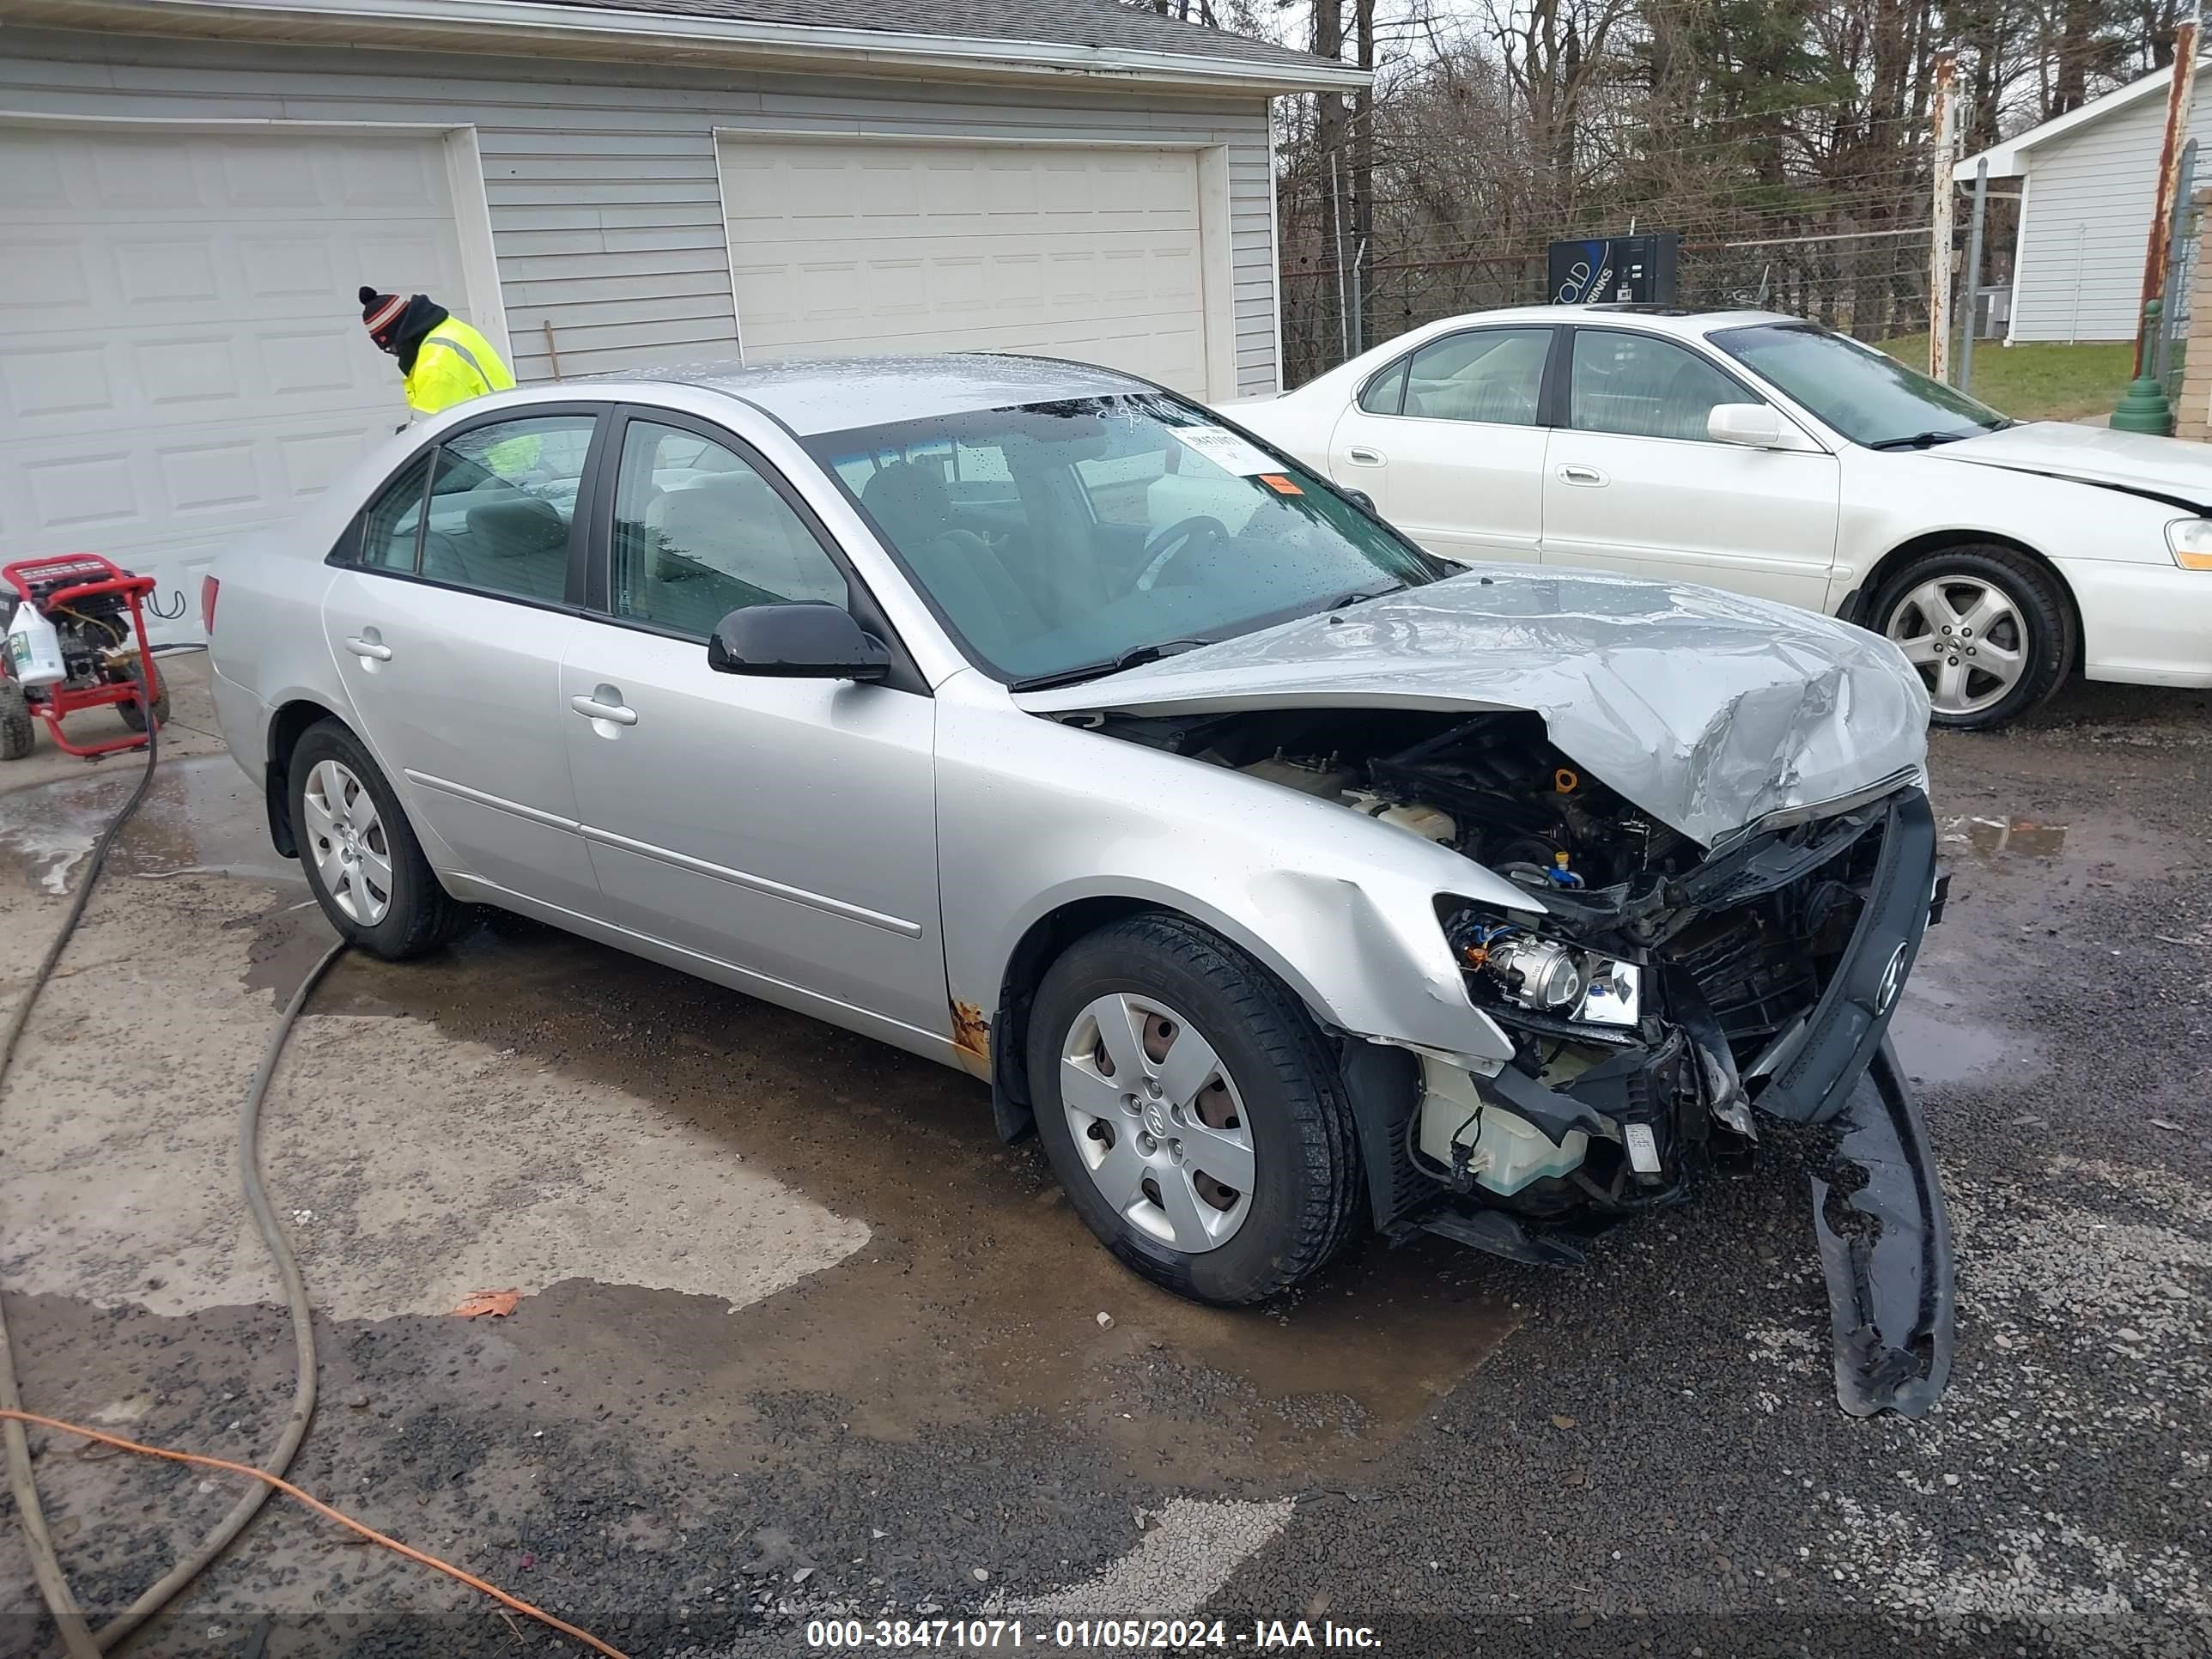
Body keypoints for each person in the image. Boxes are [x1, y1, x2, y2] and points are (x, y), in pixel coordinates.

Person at [358, 287, 515, 418]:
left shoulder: (436, 361)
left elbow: (428, 430)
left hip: (499, 451)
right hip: (508, 436)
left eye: (391, 348)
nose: (395, 354)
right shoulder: (449, 329)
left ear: (402, 335)